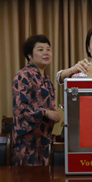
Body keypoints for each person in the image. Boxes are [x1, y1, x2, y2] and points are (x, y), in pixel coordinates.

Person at [12, 35, 61, 166]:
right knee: (27, 178)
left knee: (45, 178)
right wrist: (46, 113)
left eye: (48, 49)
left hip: (45, 140)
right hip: (28, 142)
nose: (46, 53)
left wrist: (57, 116)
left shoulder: (45, 77)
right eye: (40, 49)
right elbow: (20, 108)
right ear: (29, 55)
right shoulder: (23, 75)